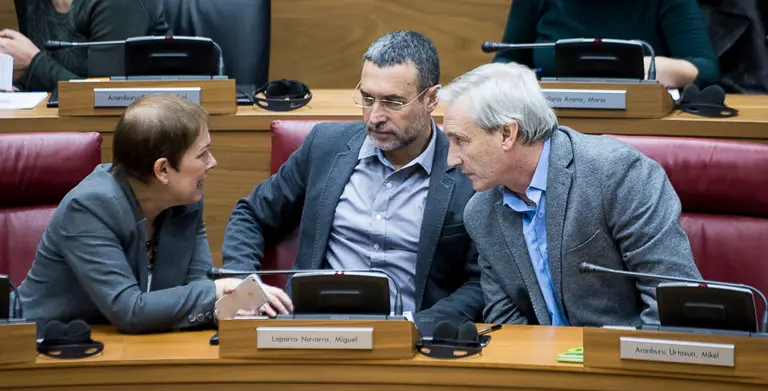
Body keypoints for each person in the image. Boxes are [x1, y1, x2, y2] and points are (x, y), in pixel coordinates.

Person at [222, 31, 484, 321]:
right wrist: (245, 289)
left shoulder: (468, 172)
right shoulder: (324, 146)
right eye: (367, 99)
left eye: (393, 102)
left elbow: (480, 282)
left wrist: (419, 326)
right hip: (310, 331)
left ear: (431, 99)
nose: (374, 117)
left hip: (412, 336)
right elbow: (251, 215)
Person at [438, 62, 702, 327]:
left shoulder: (617, 173)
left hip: (624, 348)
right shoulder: (480, 212)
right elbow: (504, 316)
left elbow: (673, 300)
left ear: (507, 133)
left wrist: (626, 351)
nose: (451, 159)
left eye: (460, 140)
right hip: (542, 353)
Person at [16, 94, 292, 333]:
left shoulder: (185, 201)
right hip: (42, 347)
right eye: (202, 154)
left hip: (129, 346)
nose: (213, 162)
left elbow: (194, 288)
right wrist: (218, 290)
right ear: (162, 170)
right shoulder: (89, 208)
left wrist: (229, 305)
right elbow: (129, 310)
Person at [492, 0, 719, 88]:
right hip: (550, 123)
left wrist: (645, 66)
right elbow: (505, 59)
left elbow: (706, 69)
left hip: (642, 128)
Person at [0, 0, 170, 92]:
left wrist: (33, 62)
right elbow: (45, 72)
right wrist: (16, 89)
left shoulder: (120, 5)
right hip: (60, 118)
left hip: (141, 125)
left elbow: (103, 96)